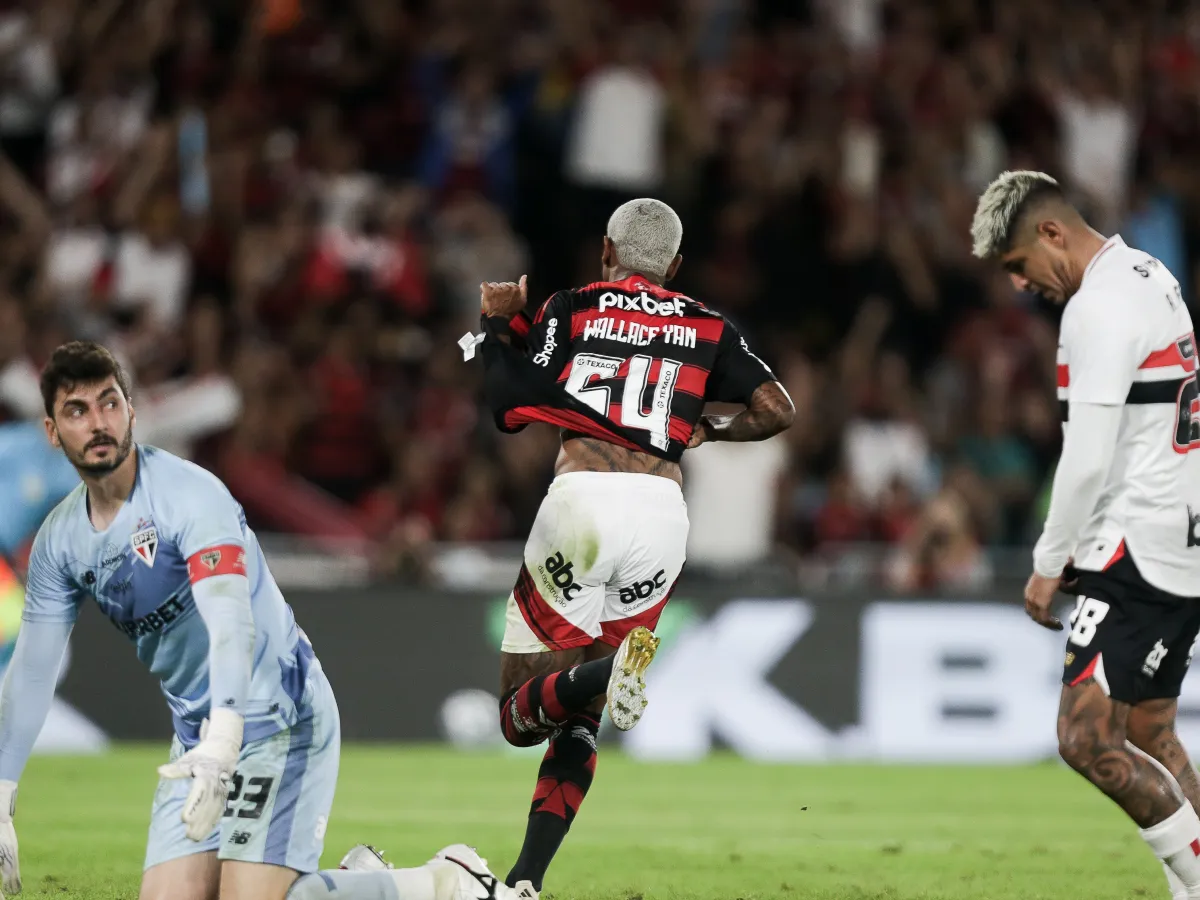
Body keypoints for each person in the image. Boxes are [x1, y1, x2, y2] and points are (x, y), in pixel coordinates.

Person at [0, 341, 513, 900]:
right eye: (77, 411)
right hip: (197, 738)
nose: (98, 423)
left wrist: (225, 738)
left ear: (132, 411)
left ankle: (444, 883)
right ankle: (355, 882)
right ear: (53, 432)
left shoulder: (190, 495)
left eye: (109, 403)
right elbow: (33, 669)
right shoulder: (61, 542)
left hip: (278, 718)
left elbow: (230, 620)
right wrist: (2, 792)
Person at [474, 199, 795, 897]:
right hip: (661, 518)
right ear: (675, 267)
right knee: (580, 724)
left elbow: (510, 401)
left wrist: (500, 323)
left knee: (518, 716)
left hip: (584, 503)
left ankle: (604, 672)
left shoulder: (574, 307)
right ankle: (526, 881)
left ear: (606, 251)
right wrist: (708, 431)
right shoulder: (709, 325)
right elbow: (777, 410)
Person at [972, 171, 1200, 900]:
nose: (1019, 285)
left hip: (1135, 545)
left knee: (1085, 739)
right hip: (1182, 535)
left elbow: (1088, 457)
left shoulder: (1095, 308)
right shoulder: (1148, 272)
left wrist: (1050, 560)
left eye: (1018, 265)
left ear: (1052, 233)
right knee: (1150, 734)